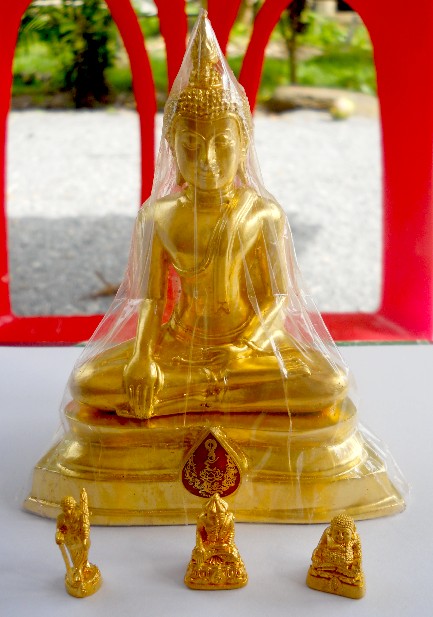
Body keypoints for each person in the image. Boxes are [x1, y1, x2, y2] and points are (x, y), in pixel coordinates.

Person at [69, 13, 348, 422]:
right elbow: (150, 300)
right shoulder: (158, 216)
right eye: (191, 144)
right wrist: (143, 358)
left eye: (222, 143)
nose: (208, 160)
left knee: (327, 382)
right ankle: (216, 394)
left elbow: (276, 300)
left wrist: (247, 347)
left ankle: (189, 397)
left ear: (243, 144)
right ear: (172, 150)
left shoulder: (262, 214)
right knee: (88, 381)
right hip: (179, 344)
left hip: (246, 348)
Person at [184, 493, 247, 589]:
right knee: (198, 557)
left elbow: (231, 534)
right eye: (212, 517)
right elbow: (199, 534)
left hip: (223, 545)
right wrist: (200, 547)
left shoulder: (229, 520)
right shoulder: (203, 519)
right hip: (208, 545)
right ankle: (201, 571)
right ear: (207, 514)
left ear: (224, 514)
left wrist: (228, 545)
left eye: (220, 517)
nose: (217, 520)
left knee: (234, 556)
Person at [306, 513, 365, 598]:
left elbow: (358, 555)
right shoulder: (327, 534)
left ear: (352, 532)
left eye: (345, 533)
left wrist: (356, 564)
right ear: (331, 530)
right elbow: (320, 547)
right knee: (316, 566)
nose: (340, 536)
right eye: (337, 532)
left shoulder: (355, 539)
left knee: (355, 575)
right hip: (327, 562)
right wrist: (316, 556)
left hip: (346, 566)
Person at [55, 489, 101, 597]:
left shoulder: (80, 515)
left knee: (83, 553)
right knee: (74, 555)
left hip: (80, 539)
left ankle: (83, 567)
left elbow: (85, 526)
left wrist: (85, 537)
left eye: (69, 509)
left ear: (74, 507)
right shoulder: (61, 518)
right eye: (65, 509)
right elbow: (60, 529)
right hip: (70, 541)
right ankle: (79, 570)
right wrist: (59, 536)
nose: (67, 512)